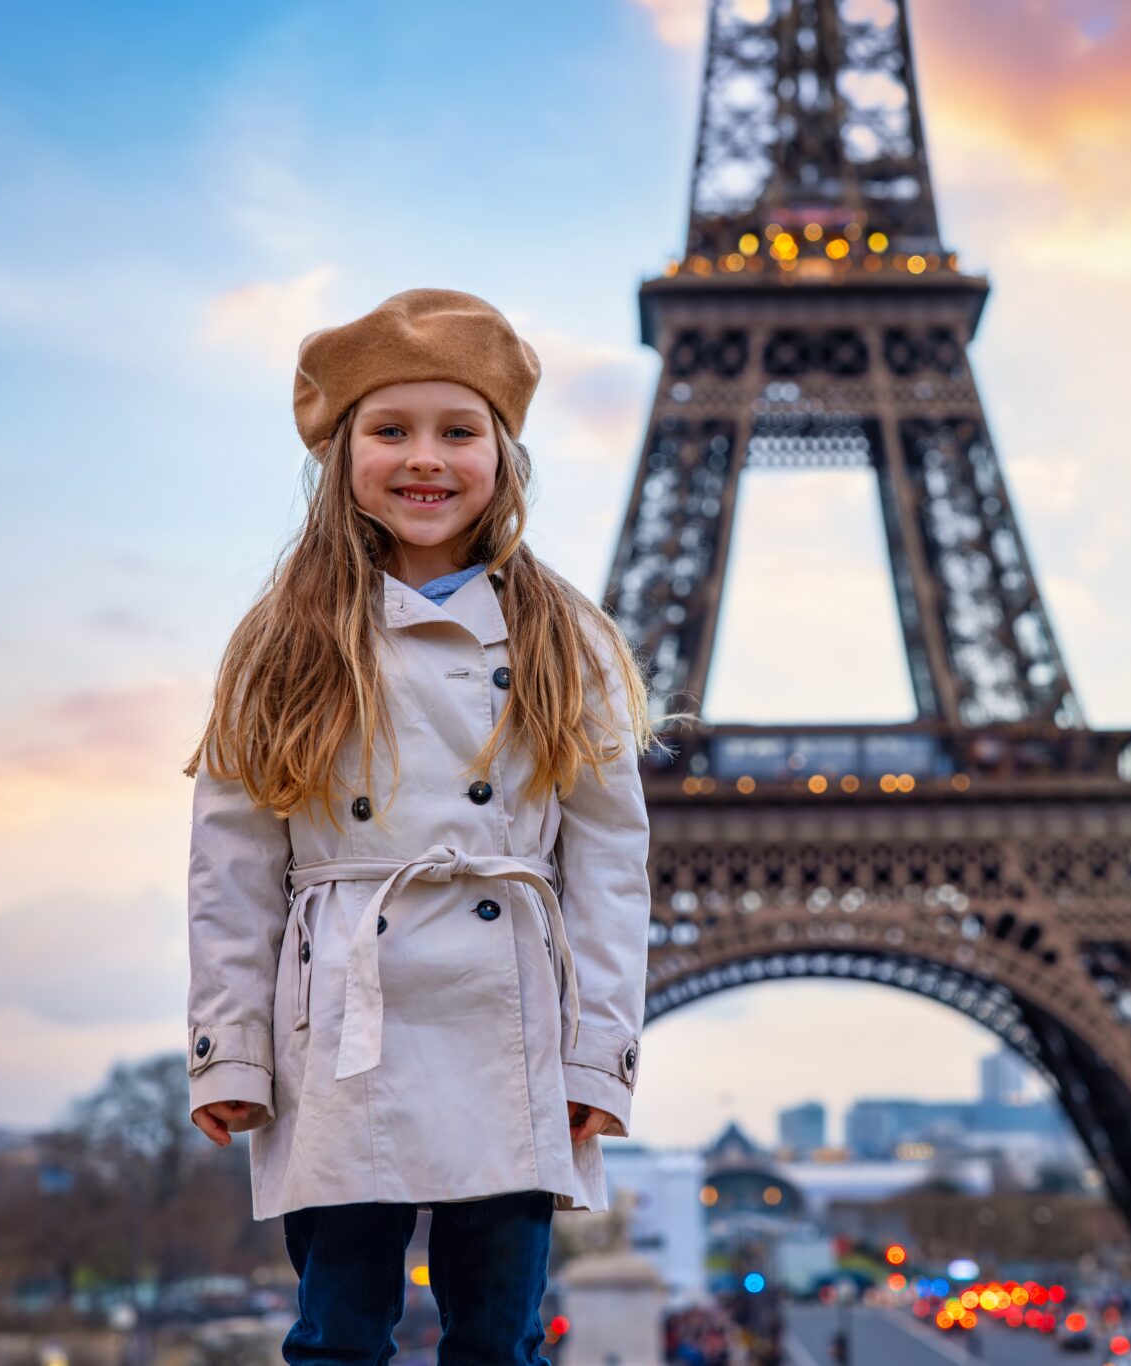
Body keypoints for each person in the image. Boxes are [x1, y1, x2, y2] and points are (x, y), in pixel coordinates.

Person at [181, 287, 660, 1364]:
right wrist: (230, 1049)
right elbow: (234, 862)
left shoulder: (561, 636)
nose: (423, 458)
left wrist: (598, 1059)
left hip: (509, 1022)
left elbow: (609, 863)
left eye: (457, 430)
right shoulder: (280, 641)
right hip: (348, 1026)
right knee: (337, 1330)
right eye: (389, 430)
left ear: (504, 456)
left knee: (501, 1338)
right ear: (340, 453)